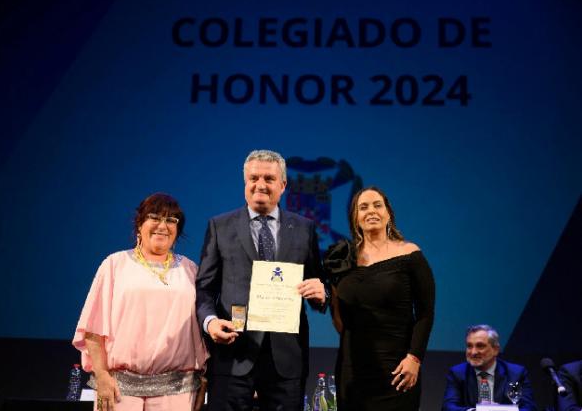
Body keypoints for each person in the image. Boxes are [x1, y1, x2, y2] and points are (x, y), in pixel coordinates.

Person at [195, 149, 327, 411]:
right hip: (233, 354)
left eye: (269, 178)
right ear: (245, 182)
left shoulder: (304, 228)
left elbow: (316, 283)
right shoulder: (220, 226)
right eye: (254, 178)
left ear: (283, 185)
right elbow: (204, 289)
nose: (260, 185)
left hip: (286, 359)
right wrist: (210, 324)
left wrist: (323, 294)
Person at [73, 193, 208, 411]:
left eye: (171, 220)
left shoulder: (190, 270)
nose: (162, 226)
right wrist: (102, 376)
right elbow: (92, 329)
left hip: (177, 389)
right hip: (119, 388)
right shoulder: (114, 265)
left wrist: (203, 377)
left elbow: (202, 330)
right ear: (140, 224)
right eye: (154, 217)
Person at [323, 186, 435, 411]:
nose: (371, 211)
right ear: (355, 218)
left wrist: (414, 358)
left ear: (388, 214)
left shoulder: (409, 254)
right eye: (363, 207)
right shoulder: (342, 259)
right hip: (352, 371)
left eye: (377, 205)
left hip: (397, 370)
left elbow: (425, 312)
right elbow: (339, 317)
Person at [442, 324, 537, 411]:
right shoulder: (457, 373)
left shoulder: (516, 373)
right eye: (469, 346)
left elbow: (529, 408)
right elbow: (448, 407)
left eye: (480, 346)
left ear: (495, 349)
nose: (473, 352)